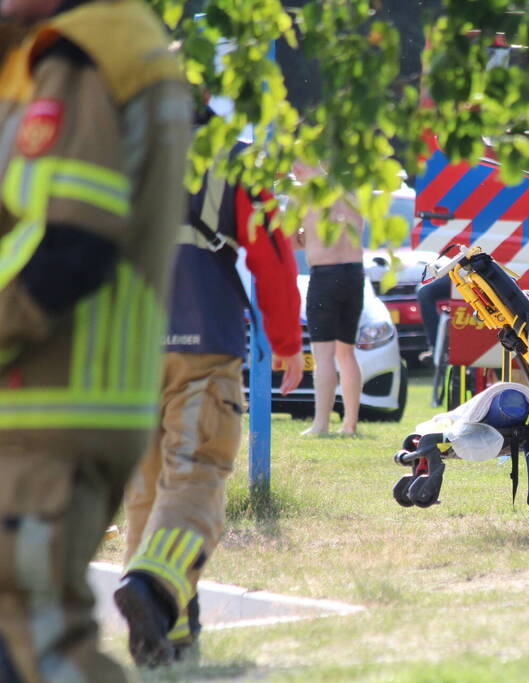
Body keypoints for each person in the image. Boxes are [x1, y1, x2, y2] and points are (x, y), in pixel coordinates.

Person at [0, 0, 191, 680]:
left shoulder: (80, 55)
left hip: (49, 401)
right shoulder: (104, 47)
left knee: (39, 645)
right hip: (66, 401)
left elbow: (71, 246)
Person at [115, 108, 305, 667]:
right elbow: (270, 253)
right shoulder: (234, 157)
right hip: (202, 343)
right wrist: (287, 340)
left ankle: (164, 637)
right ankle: (152, 587)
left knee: (146, 493)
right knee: (195, 476)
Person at [292, 161, 366, 436]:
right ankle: (350, 424)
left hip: (325, 275)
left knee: (323, 355)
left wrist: (303, 236)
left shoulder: (304, 196)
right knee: (346, 352)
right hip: (354, 274)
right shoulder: (351, 192)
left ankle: (321, 424)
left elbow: (288, 241)